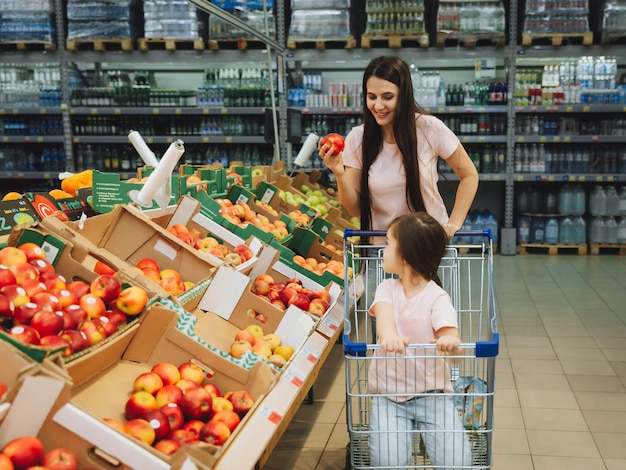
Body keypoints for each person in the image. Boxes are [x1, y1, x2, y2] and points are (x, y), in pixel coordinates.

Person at [319, 55, 479, 240]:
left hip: (427, 245)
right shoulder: (358, 138)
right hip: (382, 249)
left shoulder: (429, 129)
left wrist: (454, 223)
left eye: (387, 97)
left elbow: (469, 175)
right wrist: (339, 173)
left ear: (403, 95)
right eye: (372, 97)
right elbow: (354, 209)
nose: (378, 105)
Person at [367, 212, 472, 468]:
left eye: (388, 244)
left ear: (406, 255)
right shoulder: (386, 289)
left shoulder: (437, 298)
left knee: (457, 463)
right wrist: (389, 336)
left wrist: (451, 345)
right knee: (386, 463)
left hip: (432, 395)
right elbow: (384, 318)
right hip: (389, 395)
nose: (383, 250)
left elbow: (451, 338)